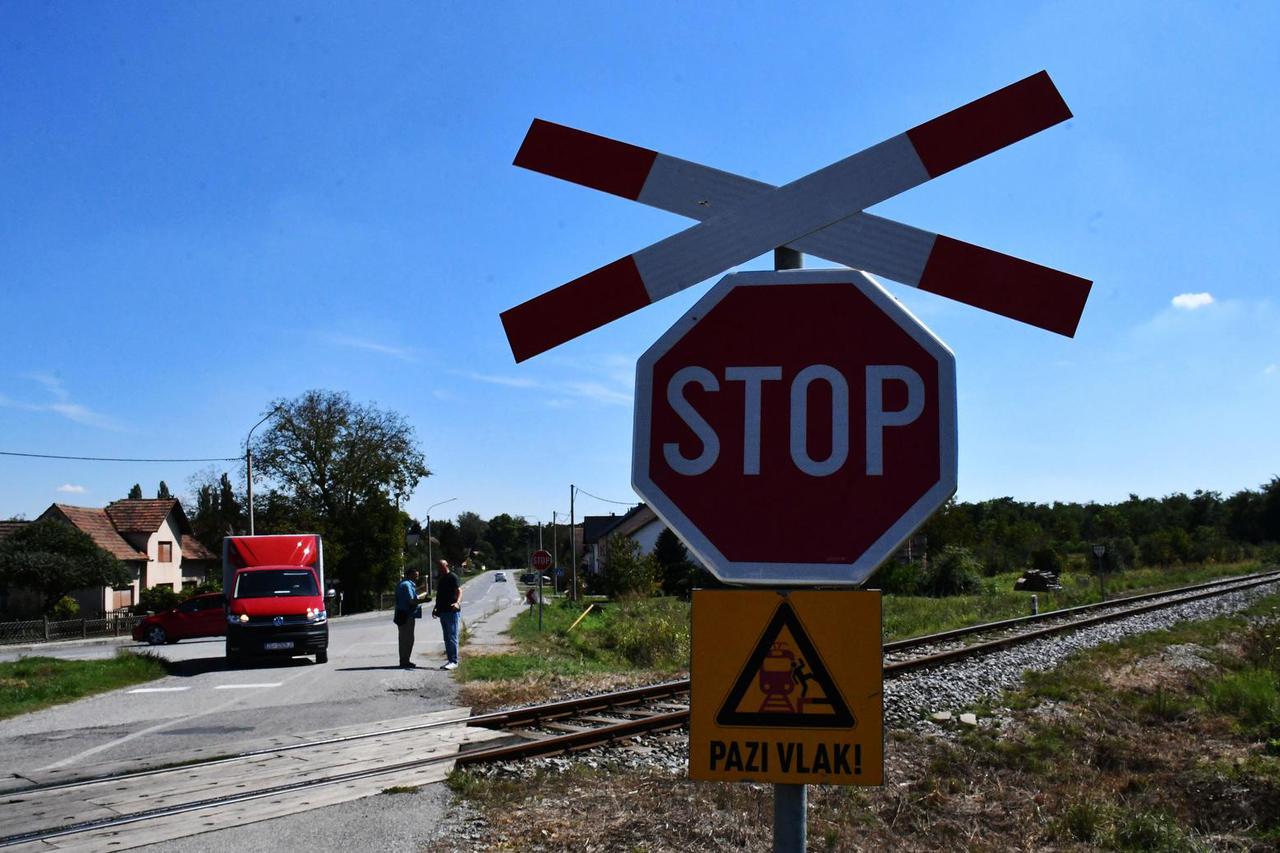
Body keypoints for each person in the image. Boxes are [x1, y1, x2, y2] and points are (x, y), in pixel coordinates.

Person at [394, 567, 430, 669]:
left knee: (404, 639)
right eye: (416, 575)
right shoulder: (407, 585)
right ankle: (404, 661)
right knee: (407, 639)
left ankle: (404, 660)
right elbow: (411, 601)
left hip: (402, 614)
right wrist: (424, 600)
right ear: (410, 575)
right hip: (406, 615)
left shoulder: (403, 584)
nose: (417, 577)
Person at [433, 558, 461, 670]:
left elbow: (459, 590)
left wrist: (457, 603)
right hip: (443, 611)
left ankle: (454, 661)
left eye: (441, 566)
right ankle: (450, 660)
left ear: (447, 565)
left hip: (451, 611)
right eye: (438, 567)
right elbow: (439, 595)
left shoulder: (452, 577)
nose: (440, 569)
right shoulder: (442, 579)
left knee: (452, 636)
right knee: (446, 637)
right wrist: (436, 608)